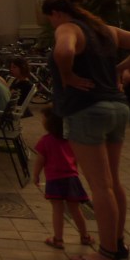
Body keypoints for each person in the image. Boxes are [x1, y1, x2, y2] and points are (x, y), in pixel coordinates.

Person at [42, 0, 130, 260]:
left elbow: (63, 51)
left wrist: (68, 75)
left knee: (100, 185)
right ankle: (116, 243)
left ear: (56, 14)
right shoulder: (106, 31)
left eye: (49, 19)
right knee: (113, 182)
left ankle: (106, 254)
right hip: (117, 108)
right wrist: (116, 69)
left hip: (87, 109)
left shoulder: (67, 28)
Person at [33, 106, 94, 250]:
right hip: (71, 178)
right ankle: (84, 236)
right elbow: (77, 158)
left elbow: (40, 160)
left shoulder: (45, 141)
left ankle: (58, 239)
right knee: (75, 209)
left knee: (57, 210)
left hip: (54, 179)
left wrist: (36, 175)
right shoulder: (71, 140)